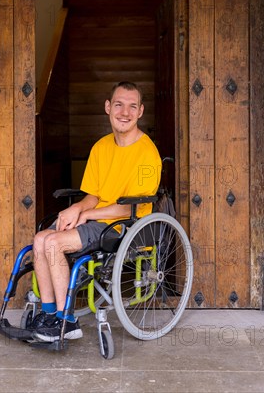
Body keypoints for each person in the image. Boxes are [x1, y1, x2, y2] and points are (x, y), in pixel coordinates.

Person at [32, 81, 162, 342]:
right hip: (99, 221)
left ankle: (67, 321)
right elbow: (93, 195)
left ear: (140, 112)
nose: (125, 112)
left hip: (127, 224)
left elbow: (129, 205)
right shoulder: (101, 147)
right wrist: (76, 209)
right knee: (39, 240)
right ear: (107, 107)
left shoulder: (148, 154)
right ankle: (48, 315)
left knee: (54, 244)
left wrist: (87, 215)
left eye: (132, 106)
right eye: (119, 104)